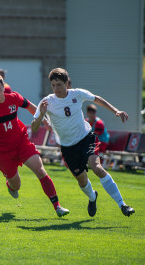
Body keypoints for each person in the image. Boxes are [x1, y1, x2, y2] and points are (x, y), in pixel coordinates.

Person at [31, 68, 135, 217]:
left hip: (85, 138)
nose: (56, 89)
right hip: (67, 148)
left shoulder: (77, 93)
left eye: (59, 84)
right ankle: (93, 197)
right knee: (82, 181)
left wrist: (116, 111)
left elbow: (96, 98)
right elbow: (34, 128)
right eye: (53, 85)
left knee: (97, 167)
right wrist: (41, 114)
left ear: (67, 83)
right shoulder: (47, 102)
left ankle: (123, 205)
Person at [0, 74, 69, 218]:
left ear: (4, 88)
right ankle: (10, 185)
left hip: (21, 142)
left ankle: (57, 207)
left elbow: (31, 107)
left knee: (40, 170)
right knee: (16, 186)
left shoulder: (14, 97)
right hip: (2, 151)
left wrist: (43, 119)